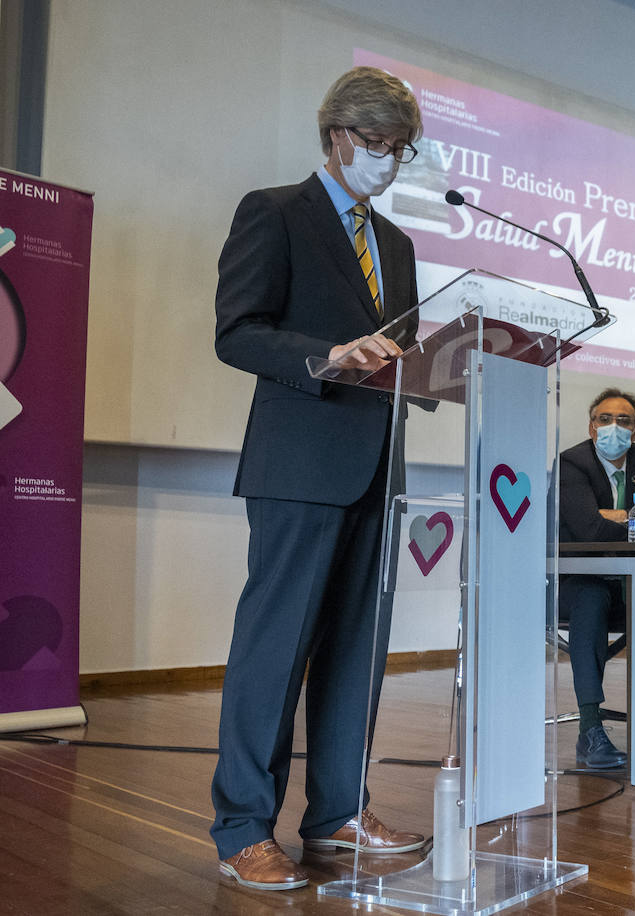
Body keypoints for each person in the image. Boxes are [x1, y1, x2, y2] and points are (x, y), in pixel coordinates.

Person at [210, 67, 426, 891]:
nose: (389, 162)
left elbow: (399, 353)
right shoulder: (275, 212)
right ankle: (241, 829)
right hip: (299, 462)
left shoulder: (398, 246)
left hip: (380, 466)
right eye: (377, 145)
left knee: (357, 652)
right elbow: (237, 332)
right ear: (336, 136)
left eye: (401, 149)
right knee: (276, 649)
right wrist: (323, 357)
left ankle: (338, 813)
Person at [559, 388, 635, 768]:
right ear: (592, 427)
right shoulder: (571, 463)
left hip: (630, 579)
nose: (614, 427)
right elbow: (589, 532)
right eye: (605, 419)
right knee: (591, 598)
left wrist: (616, 515)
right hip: (576, 581)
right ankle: (590, 730)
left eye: (624, 421)